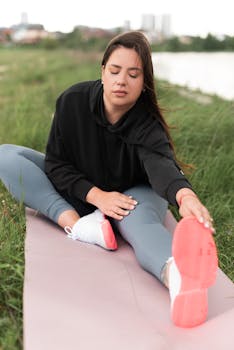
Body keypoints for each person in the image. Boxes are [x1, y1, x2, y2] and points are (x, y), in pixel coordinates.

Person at [0, 31, 217, 328]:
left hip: (133, 194)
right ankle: (79, 225)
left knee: (139, 225)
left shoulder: (147, 124)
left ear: (143, 84)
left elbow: (162, 165)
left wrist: (185, 196)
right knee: (6, 156)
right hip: (84, 190)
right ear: (102, 71)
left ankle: (178, 278)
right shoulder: (72, 101)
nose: (121, 80)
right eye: (114, 71)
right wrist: (96, 196)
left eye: (133, 74)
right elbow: (57, 163)